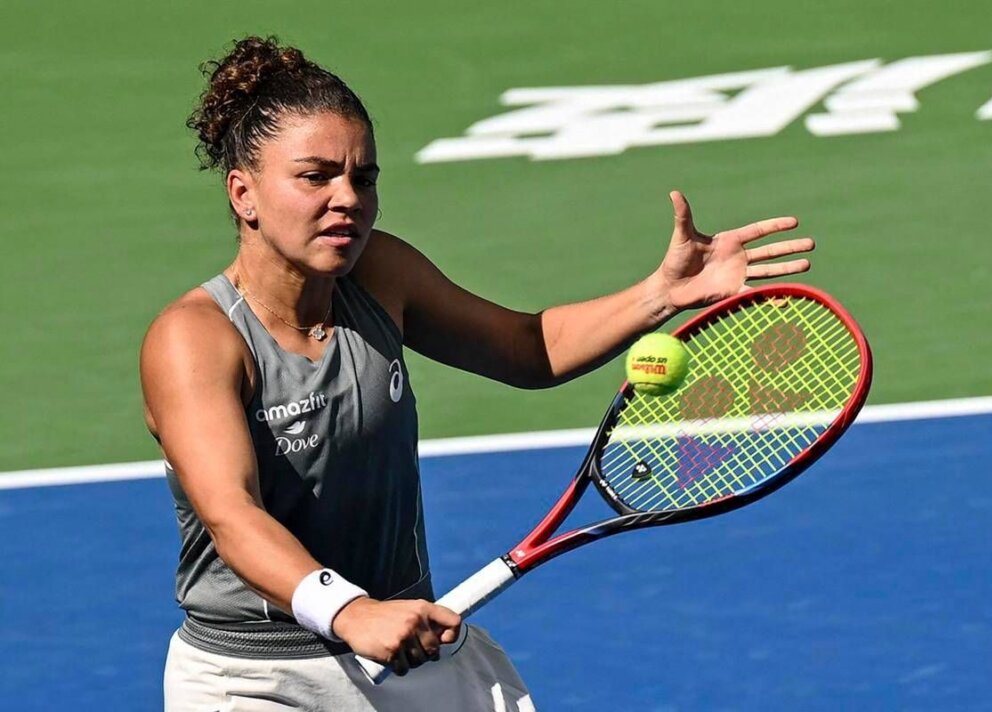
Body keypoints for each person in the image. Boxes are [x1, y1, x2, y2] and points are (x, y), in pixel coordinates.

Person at [140, 36, 815, 712]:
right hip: (261, 677)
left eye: (364, 178)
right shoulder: (196, 339)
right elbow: (231, 512)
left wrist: (660, 295)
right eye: (316, 177)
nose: (348, 198)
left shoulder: (380, 275)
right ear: (244, 194)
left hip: (407, 645)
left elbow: (525, 348)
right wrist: (349, 611)